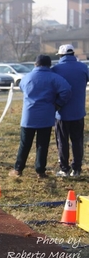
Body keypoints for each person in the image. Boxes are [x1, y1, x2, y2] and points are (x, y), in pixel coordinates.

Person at [8, 55, 71, 179]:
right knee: (42, 145)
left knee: (24, 144)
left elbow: (21, 87)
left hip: (28, 116)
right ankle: (40, 171)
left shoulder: (27, 77)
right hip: (46, 115)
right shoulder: (54, 77)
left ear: (35, 64)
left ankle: (18, 169)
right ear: (49, 65)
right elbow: (67, 90)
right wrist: (58, 103)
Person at [52, 44, 89, 177]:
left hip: (61, 112)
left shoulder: (55, 69)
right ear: (73, 54)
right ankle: (77, 169)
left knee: (62, 141)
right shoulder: (83, 67)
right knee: (77, 141)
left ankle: (64, 168)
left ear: (61, 56)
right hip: (78, 111)